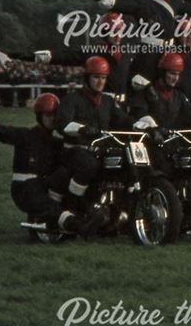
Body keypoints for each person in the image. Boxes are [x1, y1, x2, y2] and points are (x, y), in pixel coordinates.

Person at [0, 93, 95, 235]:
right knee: (54, 210)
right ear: (39, 116)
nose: (52, 119)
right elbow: (3, 131)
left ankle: (80, 212)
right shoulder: (26, 135)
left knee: (68, 171)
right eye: (48, 115)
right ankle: (74, 223)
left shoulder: (56, 143)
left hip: (43, 184)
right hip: (25, 187)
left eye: (54, 115)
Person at [54, 56, 143, 222]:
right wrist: (82, 129)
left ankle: (124, 205)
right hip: (75, 149)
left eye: (103, 78)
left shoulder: (108, 101)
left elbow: (122, 119)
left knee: (128, 161)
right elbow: (62, 123)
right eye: (96, 77)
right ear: (87, 78)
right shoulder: (72, 99)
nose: (100, 82)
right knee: (89, 165)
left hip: (100, 148)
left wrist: (140, 124)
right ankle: (74, 205)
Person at [127, 53, 191, 176]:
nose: (175, 78)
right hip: (150, 144)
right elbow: (139, 111)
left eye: (178, 74)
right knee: (163, 169)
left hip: (171, 143)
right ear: (163, 72)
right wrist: (152, 129)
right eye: (172, 73)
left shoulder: (178, 95)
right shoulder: (147, 92)